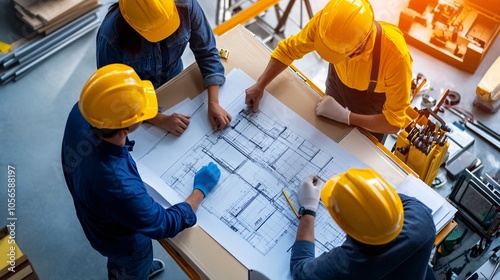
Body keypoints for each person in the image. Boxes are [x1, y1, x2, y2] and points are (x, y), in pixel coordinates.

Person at [61, 64, 221, 279]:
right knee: (131, 267)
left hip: (91, 208)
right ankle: (136, 272)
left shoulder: (84, 110)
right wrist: (199, 192)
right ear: (125, 129)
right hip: (123, 243)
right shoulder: (120, 186)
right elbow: (163, 224)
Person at [245, 0, 413, 143]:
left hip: (372, 105)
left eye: (339, 54)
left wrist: (347, 117)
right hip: (337, 82)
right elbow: (288, 50)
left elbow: (393, 122)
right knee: (325, 139)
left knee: (359, 151)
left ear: (361, 45)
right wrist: (260, 85)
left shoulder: (396, 57)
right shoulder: (327, 25)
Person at [96, 0, 231, 136]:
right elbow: (116, 94)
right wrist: (162, 120)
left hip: (174, 79)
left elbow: (206, 52)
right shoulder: (110, 37)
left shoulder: (186, 5)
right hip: (138, 99)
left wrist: (213, 102)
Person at [291, 168, 436, 279]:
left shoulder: (346, 265)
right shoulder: (422, 218)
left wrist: (308, 209)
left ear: (344, 226)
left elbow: (299, 268)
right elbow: (387, 199)